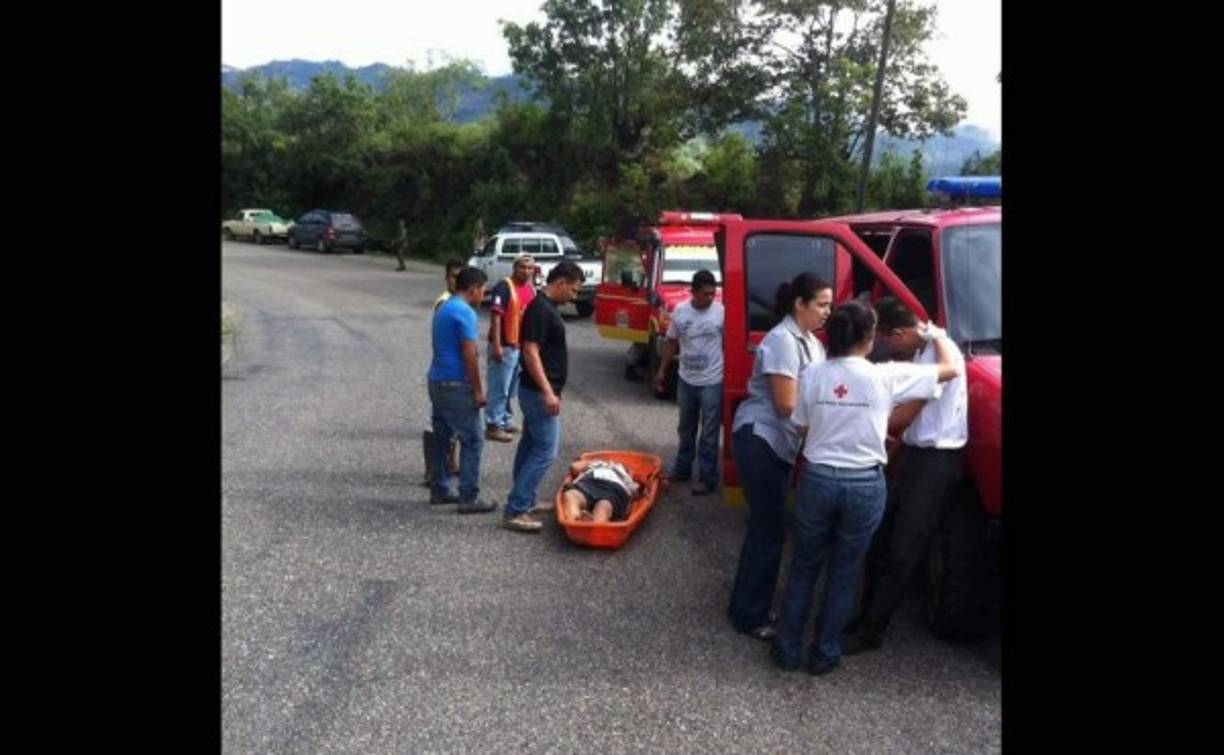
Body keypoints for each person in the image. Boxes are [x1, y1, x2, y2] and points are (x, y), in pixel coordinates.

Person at [770, 300, 960, 676]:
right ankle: (824, 654)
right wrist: (934, 333)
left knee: (805, 566)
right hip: (863, 483)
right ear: (870, 338)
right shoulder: (886, 375)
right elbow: (951, 369)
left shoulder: (812, 374)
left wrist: (833, 423)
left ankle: (787, 650)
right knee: (845, 571)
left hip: (819, 478)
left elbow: (801, 425)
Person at [844, 297, 969, 655]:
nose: (888, 349)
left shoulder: (939, 356)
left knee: (903, 548)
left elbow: (904, 417)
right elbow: (908, 426)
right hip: (916, 455)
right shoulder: (924, 352)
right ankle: (863, 616)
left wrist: (852, 420)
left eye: (888, 340)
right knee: (880, 541)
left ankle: (871, 632)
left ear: (899, 333)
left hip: (936, 462)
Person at [727, 273, 833, 640]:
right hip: (762, 440)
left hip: (779, 444)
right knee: (769, 532)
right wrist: (831, 431)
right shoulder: (782, 341)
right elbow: (787, 405)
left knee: (764, 529)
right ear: (799, 304)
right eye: (821, 304)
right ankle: (752, 617)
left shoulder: (812, 344)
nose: (826, 312)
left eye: (829, 305)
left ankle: (743, 607)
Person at [502, 260, 585, 533]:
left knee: (530, 444)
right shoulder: (541, 310)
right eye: (572, 290)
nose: (573, 296)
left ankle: (525, 499)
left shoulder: (546, 307)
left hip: (534, 390)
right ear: (560, 283)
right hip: (538, 392)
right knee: (546, 451)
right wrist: (548, 391)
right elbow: (530, 350)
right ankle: (516, 510)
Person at [426, 266, 499, 514]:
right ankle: (469, 497)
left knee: (442, 436)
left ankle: (440, 488)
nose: (484, 296)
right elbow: (469, 354)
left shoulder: (444, 307)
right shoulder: (465, 313)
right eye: (483, 291)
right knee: (473, 439)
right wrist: (478, 390)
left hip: (437, 380)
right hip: (455, 383)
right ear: (474, 289)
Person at [655, 269, 724, 495]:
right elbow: (671, 342)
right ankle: (683, 469)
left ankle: (707, 476)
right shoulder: (681, 312)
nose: (709, 298)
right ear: (693, 292)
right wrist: (662, 371)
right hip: (686, 380)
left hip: (712, 381)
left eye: (712, 294)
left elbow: (729, 343)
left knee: (710, 432)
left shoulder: (721, 312)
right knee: (686, 428)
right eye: (705, 294)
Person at [422, 258, 469, 488]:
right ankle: (433, 472)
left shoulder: (457, 301)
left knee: (446, 425)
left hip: (449, 372)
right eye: (453, 276)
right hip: (445, 373)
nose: (456, 280)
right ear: (446, 278)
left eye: (461, 276)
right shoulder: (445, 303)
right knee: (438, 425)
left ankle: (448, 465)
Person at [484, 254, 537, 442]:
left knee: (511, 387)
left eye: (530, 268)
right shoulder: (504, 287)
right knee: (499, 387)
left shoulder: (530, 289)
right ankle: (492, 424)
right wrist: (497, 345)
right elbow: (496, 317)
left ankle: (505, 420)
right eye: (523, 267)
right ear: (514, 268)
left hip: (519, 346)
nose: (527, 271)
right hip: (505, 346)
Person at [560, 458, 642, 523]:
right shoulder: (599, 464)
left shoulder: (626, 477)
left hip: (613, 489)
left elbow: (636, 494)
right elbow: (574, 467)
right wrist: (593, 462)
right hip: (591, 482)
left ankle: (591, 526)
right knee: (571, 495)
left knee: (604, 505)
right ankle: (577, 522)